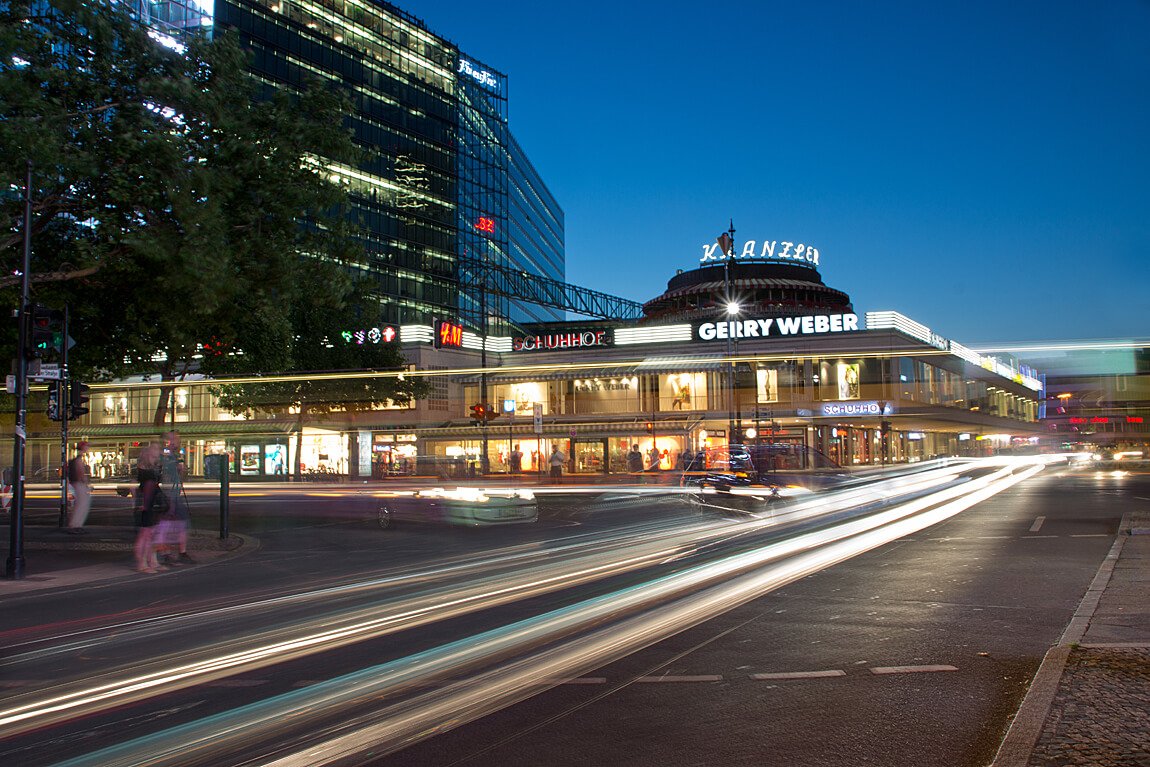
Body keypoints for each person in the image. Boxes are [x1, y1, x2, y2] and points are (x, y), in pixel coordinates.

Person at [159, 431, 194, 565]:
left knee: (181, 523)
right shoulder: (165, 455)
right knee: (168, 524)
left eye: (178, 440)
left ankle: (180, 552)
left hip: (175, 493)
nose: (176, 442)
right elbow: (164, 471)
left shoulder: (177, 455)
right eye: (174, 440)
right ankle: (166, 553)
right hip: (168, 494)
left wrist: (182, 470)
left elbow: (182, 472)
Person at [134, 443, 166, 573]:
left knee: (151, 533)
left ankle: (152, 560)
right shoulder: (143, 467)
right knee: (145, 533)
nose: (158, 451)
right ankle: (142, 563)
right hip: (147, 501)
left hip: (152, 500)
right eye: (155, 449)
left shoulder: (156, 466)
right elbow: (142, 485)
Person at [66, 441, 93, 534]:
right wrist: (85, 483)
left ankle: (76, 525)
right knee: (82, 505)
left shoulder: (77, 459)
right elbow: (80, 473)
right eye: (86, 446)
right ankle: (75, 525)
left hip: (76, 483)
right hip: (79, 484)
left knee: (81, 504)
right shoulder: (79, 459)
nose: (88, 448)